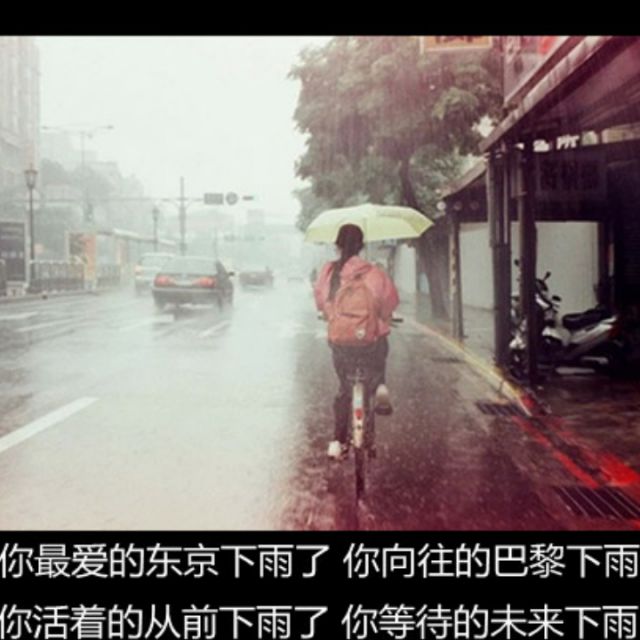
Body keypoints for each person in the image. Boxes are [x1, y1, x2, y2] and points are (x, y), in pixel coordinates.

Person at [314, 224, 399, 459]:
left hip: (341, 343)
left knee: (344, 389)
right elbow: (390, 301)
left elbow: (321, 301)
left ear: (337, 244)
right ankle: (380, 387)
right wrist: (381, 316)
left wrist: (331, 314)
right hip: (370, 343)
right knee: (381, 342)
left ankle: (338, 441)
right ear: (361, 245)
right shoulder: (374, 272)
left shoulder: (329, 272)